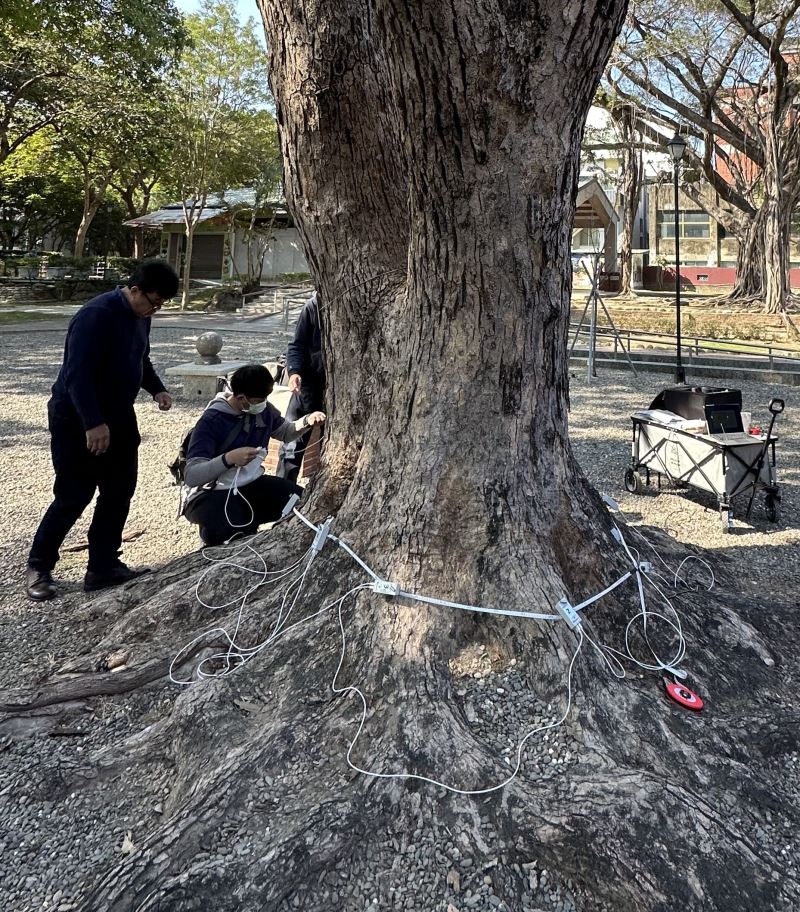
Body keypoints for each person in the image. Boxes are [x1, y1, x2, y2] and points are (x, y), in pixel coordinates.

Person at [26, 260, 180, 601]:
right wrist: (93, 423)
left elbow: (140, 359)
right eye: (153, 302)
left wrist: (157, 388)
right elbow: (76, 375)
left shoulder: (142, 317)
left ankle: (102, 565)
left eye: (160, 305)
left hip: (119, 414)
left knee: (119, 489)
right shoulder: (95, 315)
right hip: (76, 416)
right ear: (134, 289)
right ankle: (39, 565)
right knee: (74, 494)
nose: (154, 309)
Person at [182, 364, 325, 546]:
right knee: (236, 524)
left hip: (250, 483)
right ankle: (214, 541)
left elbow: (285, 432)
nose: (264, 403)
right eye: (260, 399)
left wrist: (306, 421)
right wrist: (229, 459)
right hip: (212, 492)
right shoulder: (212, 421)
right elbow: (192, 475)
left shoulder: (262, 409)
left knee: (300, 500)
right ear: (241, 398)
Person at [276, 291, 325, 483]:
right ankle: (283, 488)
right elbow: (296, 345)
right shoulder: (312, 306)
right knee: (292, 444)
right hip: (308, 383)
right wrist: (294, 372)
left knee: (331, 442)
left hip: (341, 388)